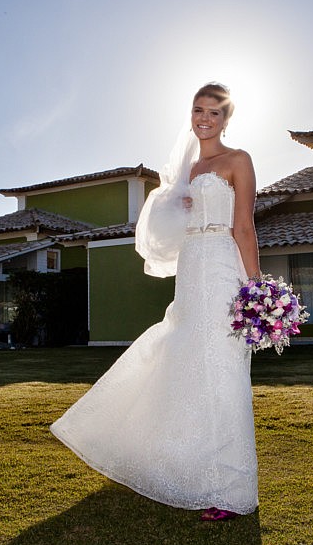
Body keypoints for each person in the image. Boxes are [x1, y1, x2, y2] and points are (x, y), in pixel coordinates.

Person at [50, 82, 260, 521]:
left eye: (214, 113)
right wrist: (177, 206)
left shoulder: (238, 161)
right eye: (198, 110)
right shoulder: (184, 169)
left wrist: (255, 287)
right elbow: (163, 226)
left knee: (224, 368)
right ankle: (182, 463)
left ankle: (232, 489)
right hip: (192, 266)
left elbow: (244, 227)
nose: (204, 118)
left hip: (223, 262)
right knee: (185, 359)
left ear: (227, 118)